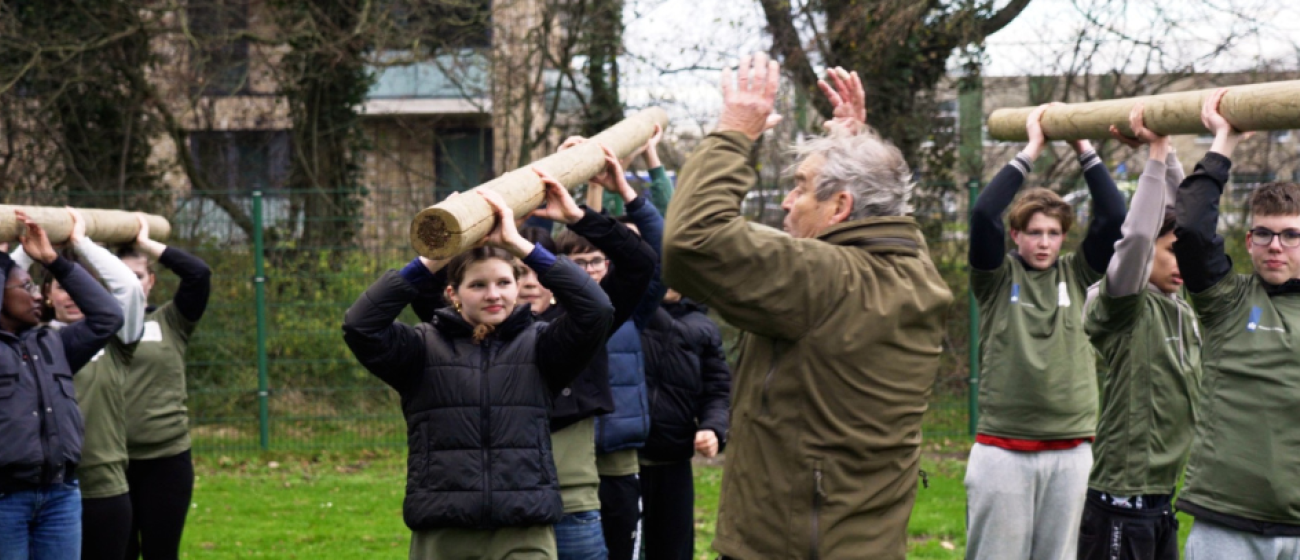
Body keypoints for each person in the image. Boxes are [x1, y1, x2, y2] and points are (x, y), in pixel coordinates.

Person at [661, 54, 953, 559]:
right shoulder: (915, 268)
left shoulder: (825, 280)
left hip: (791, 548)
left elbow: (693, 241)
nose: (787, 203)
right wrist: (855, 144)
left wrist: (734, 133)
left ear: (840, 207)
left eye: (799, 187)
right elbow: (882, 210)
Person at [343, 188, 614, 559]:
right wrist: (430, 260)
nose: (493, 294)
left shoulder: (542, 347)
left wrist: (522, 246)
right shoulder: (421, 349)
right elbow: (361, 326)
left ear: (519, 287)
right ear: (453, 293)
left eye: (504, 283)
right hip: (444, 529)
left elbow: (597, 311)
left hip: (523, 528)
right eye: (478, 285)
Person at [964, 99, 1127, 560]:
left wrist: (1082, 144)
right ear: (1016, 235)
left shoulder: (1075, 275)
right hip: (1003, 446)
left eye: (1053, 233)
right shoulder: (995, 280)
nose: (1044, 242)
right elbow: (981, 215)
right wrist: (1032, 148)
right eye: (1034, 232)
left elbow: (1115, 218)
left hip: (1070, 446)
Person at [1173, 89, 1300, 559]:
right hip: (1229, 521)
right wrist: (1223, 141)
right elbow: (1191, 228)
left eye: (1291, 235)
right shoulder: (1227, 301)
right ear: (1248, 241)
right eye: (1264, 233)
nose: (1275, 245)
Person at [1076, 104, 1201, 560]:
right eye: (1172, 253)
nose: (1184, 263)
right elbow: (1137, 239)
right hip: (1119, 505)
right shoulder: (1123, 303)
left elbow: (1186, 224)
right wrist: (1155, 154)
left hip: (1161, 503)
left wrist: (1163, 152)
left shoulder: (1177, 305)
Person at [553, 140, 666, 560]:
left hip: (617, 459)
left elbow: (658, 252)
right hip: (564, 462)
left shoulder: (628, 311)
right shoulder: (549, 318)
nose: (587, 271)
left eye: (596, 261)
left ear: (609, 265)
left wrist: (628, 193)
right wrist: (560, 170)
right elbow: (525, 246)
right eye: (576, 264)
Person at [15, 211, 148, 560]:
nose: (72, 296)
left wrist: (80, 244)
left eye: (80, 288)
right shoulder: (28, 342)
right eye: (62, 287)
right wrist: (25, 252)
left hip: (104, 487)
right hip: (38, 488)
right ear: (45, 292)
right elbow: (9, 286)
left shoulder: (115, 340)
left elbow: (129, 290)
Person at [118, 215, 212, 560]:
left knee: (162, 552)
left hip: (166, 460)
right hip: (111, 465)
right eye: (120, 277)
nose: (130, 285)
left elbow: (199, 274)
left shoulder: (171, 322)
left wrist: (148, 245)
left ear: (151, 281)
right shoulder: (93, 326)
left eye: (138, 276)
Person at [637, 289, 730, 560]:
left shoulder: (703, 327)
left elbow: (717, 391)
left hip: (673, 462)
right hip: (624, 462)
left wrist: (713, 428)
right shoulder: (628, 314)